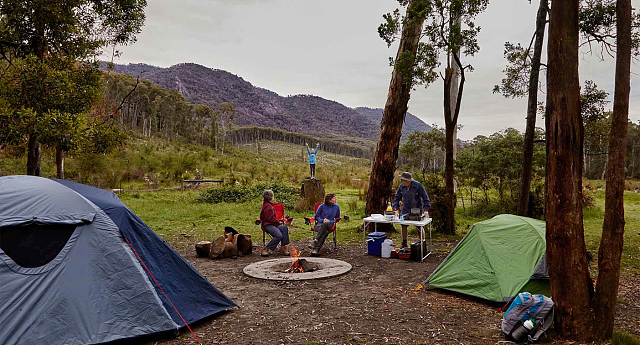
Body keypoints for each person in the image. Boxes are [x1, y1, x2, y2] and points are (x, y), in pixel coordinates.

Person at [392, 172, 431, 249]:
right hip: (405, 209)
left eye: (403, 180)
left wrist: (425, 210)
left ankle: (422, 243)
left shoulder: (418, 186)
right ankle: (404, 243)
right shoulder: (401, 187)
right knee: (403, 225)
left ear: (408, 181)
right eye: (401, 180)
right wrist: (396, 209)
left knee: (419, 226)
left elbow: (426, 198)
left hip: (416, 209)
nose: (402, 181)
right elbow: (396, 198)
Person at [259, 189, 290, 257]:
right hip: (268, 225)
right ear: (270, 198)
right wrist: (278, 222)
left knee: (284, 228)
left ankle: (283, 247)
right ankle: (266, 249)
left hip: (273, 224)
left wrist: (278, 222)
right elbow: (270, 219)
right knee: (278, 235)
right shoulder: (268, 207)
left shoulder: (268, 205)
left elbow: (272, 219)